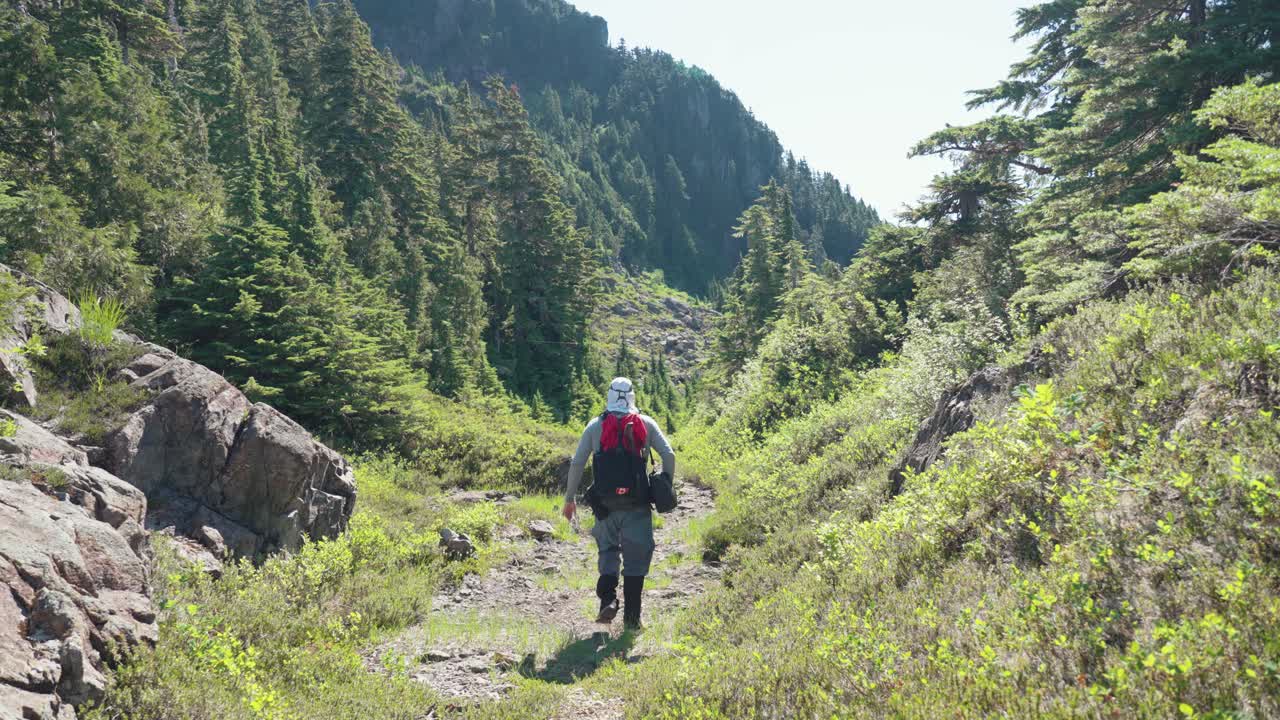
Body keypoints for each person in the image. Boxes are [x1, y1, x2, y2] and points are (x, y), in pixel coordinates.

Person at [562, 377, 675, 631]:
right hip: (637, 504)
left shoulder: (594, 426)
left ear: (609, 396)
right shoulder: (645, 424)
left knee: (608, 552)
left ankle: (608, 600)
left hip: (605, 505)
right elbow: (668, 455)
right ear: (633, 396)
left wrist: (570, 498)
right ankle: (633, 620)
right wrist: (666, 484)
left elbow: (577, 463)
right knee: (636, 559)